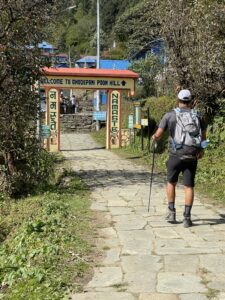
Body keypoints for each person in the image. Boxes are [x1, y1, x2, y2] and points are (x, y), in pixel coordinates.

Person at [152, 89, 207, 227]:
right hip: (192, 155)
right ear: (191, 101)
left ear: (178, 100)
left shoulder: (170, 115)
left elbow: (158, 134)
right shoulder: (198, 115)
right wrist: (201, 150)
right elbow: (204, 137)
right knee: (189, 186)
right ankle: (187, 218)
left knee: (171, 183)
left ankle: (171, 212)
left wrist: (154, 138)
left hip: (175, 155)